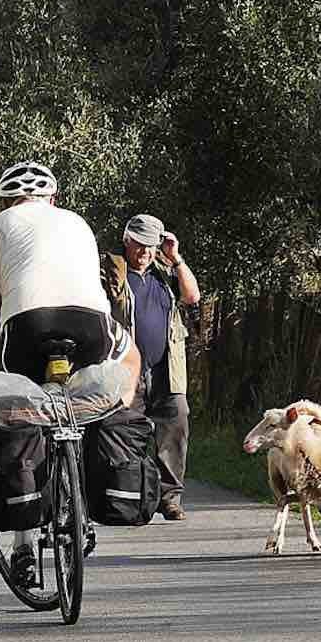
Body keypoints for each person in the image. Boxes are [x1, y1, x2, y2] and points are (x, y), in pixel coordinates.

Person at [0, 161, 141, 584]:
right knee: (130, 364)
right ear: (53, 199)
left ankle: (23, 544)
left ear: (6, 201)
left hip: (27, 328)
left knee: (23, 412)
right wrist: (119, 397)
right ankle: (103, 438)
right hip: (90, 326)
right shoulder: (77, 223)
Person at [101, 214, 200, 521]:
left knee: (177, 420)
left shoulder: (165, 273)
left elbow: (192, 296)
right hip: (127, 371)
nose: (144, 252)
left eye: (150, 246)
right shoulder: (111, 272)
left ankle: (169, 498)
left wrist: (176, 258)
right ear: (127, 241)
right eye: (139, 245)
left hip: (165, 370)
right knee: (126, 432)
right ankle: (130, 497)